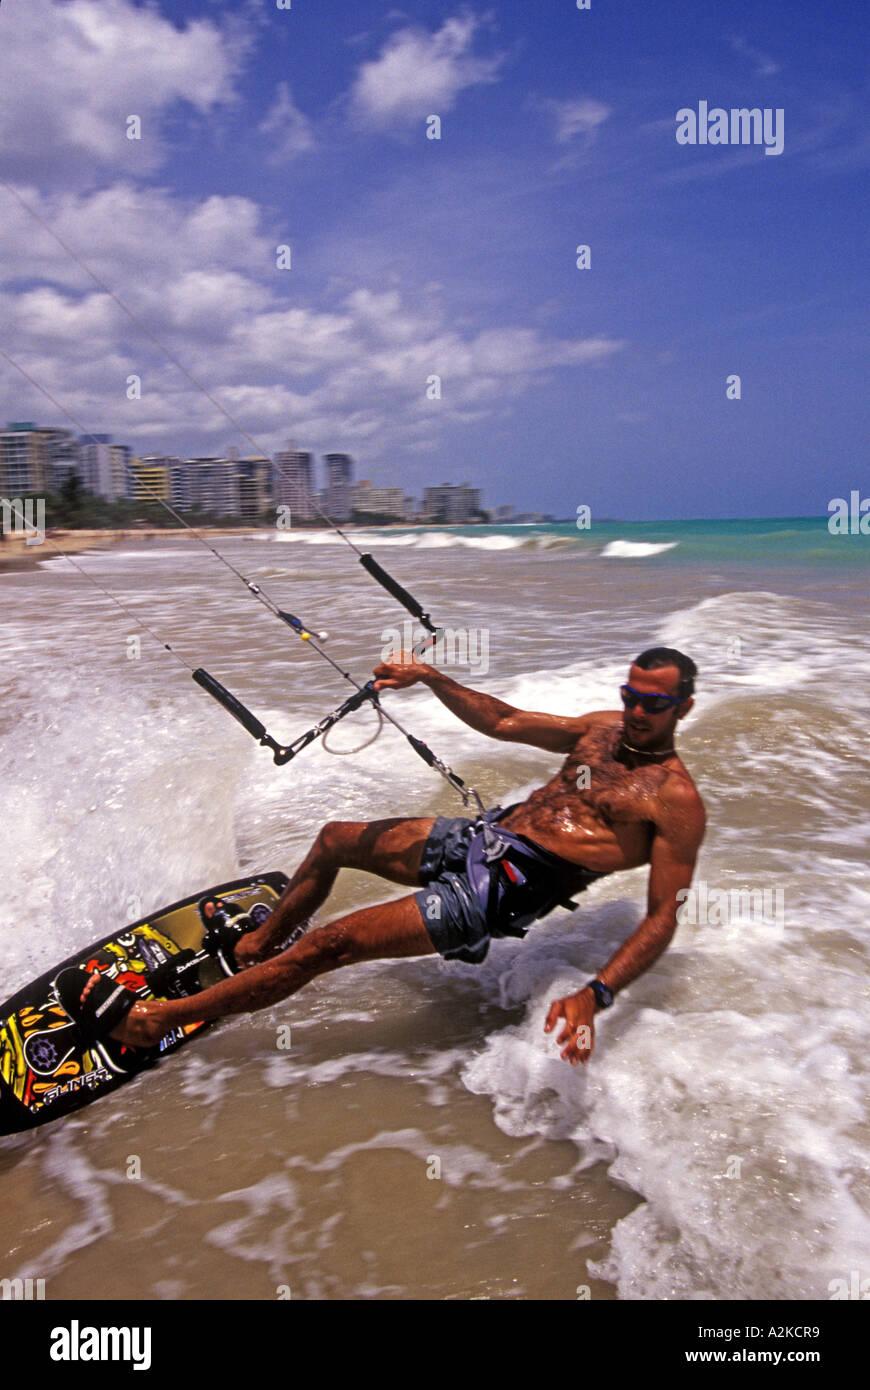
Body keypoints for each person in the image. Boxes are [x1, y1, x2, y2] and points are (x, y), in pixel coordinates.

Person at [68, 646, 705, 1066]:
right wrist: (429, 677)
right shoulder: (600, 730)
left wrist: (597, 994)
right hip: (484, 837)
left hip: (503, 890)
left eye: (653, 703)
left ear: (684, 707)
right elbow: (505, 722)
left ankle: (158, 1021)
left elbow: (661, 918)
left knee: (328, 948)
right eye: (631, 696)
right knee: (336, 838)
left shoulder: (673, 799)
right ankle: (259, 947)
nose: (636, 712)